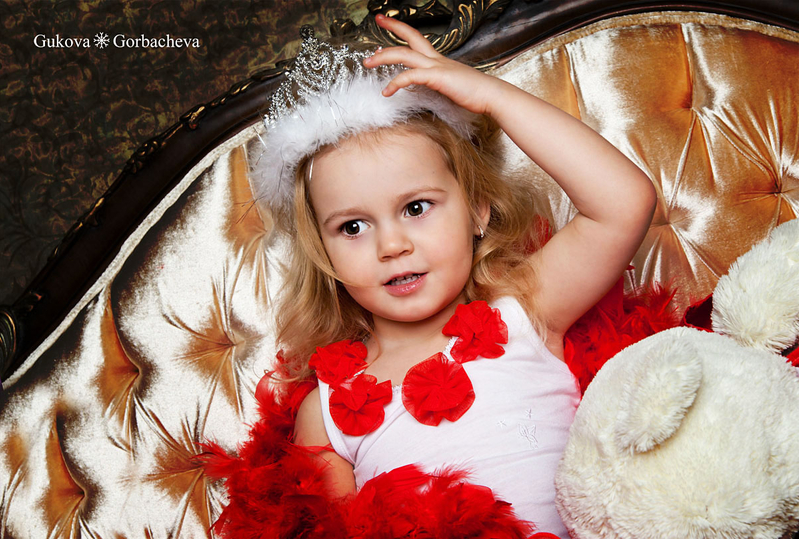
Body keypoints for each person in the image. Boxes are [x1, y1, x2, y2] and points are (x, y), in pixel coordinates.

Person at [249, 14, 656, 538]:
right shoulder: (325, 411)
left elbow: (624, 204)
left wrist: (492, 97)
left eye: (416, 207)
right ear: (322, 253)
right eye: (352, 226)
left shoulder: (527, 309)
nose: (392, 245)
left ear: (478, 211)